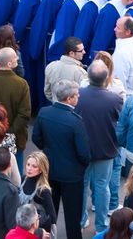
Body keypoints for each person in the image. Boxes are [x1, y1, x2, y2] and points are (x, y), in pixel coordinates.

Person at [31, 80, 90, 239]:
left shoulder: (44, 113)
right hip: (72, 176)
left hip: (49, 171)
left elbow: (36, 138)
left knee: (49, 212)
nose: (78, 97)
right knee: (72, 216)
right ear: (69, 99)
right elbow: (84, 153)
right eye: (77, 95)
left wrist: (48, 151)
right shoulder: (75, 121)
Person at [75, 60, 124, 234]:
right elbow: (120, 123)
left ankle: (81, 220)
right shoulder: (115, 99)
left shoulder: (77, 95)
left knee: (82, 185)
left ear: (88, 76)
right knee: (103, 187)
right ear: (106, 78)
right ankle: (101, 226)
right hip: (106, 149)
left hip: (81, 150)